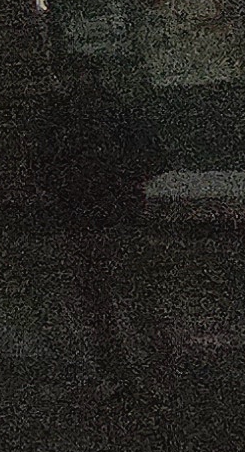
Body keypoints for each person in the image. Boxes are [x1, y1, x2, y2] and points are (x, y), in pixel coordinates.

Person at [45, 68, 168, 397]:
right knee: (132, 294)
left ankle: (115, 373)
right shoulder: (118, 112)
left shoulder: (61, 117)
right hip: (118, 216)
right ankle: (149, 373)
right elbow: (153, 157)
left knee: (98, 301)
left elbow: (42, 167)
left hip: (82, 217)